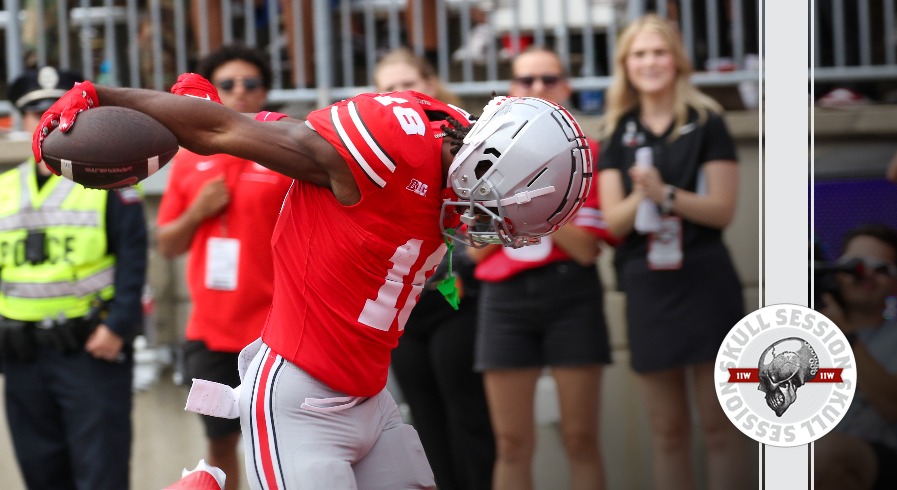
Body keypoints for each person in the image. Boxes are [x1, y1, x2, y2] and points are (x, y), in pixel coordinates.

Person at [32, 65, 593, 488]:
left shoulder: (447, 140)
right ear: (487, 155)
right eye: (493, 206)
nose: (482, 224)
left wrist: (258, 123)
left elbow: (306, 150)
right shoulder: (395, 145)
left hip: (372, 397)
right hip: (299, 400)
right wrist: (105, 96)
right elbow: (226, 134)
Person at [596, 14, 752, 490]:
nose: (650, 62)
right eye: (640, 54)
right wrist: (641, 197)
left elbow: (722, 211)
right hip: (646, 282)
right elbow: (612, 223)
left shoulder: (707, 120)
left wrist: (665, 194)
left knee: (720, 427)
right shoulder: (615, 129)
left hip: (704, 280)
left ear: (677, 59)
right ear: (626, 64)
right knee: (667, 432)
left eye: (659, 52)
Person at [467, 45, 617, 490]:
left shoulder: (587, 151)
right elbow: (476, 250)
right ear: (511, 89)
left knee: (580, 438)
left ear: (566, 86)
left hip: (570, 293)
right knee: (511, 443)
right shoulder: (484, 152)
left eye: (547, 80)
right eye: (525, 81)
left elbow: (587, 248)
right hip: (504, 301)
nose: (536, 89)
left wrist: (534, 199)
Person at [0, 66, 148, 489]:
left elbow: (134, 260)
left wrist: (118, 327)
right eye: (35, 113)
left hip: (90, 350)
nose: (45, 120)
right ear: (22, 122)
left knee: (100, 474)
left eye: (56, 110)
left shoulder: (109, 184)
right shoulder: (4, 188)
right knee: (41, 474)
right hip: (21, 356)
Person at [156, 44, 293, 490]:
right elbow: (168, 244)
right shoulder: (189, 159)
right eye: (227, 84)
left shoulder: (287, 153)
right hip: (210, 335)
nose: (239, 92)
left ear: (265, 92)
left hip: (277, 333)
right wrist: (198, 211)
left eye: (250, 84)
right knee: (217, 448)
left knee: (284, 444)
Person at [373, 47, 495, 490]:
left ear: (431, 84)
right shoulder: (373, 151)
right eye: (388, 88)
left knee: (467, 411)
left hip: (455, 293)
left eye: (409, 82)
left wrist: (466, 251)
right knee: (421, 420)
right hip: (402, 307)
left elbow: (490, 214)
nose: (400, 94)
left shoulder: (467, 140)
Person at [815, 223, 897, 490]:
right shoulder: (807, 334)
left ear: (896, 286)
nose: (866, 275)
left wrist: (846, 334)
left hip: (887, 460)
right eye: (855, 265)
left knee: (827, 453)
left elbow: (896, 407)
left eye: (882, 269)